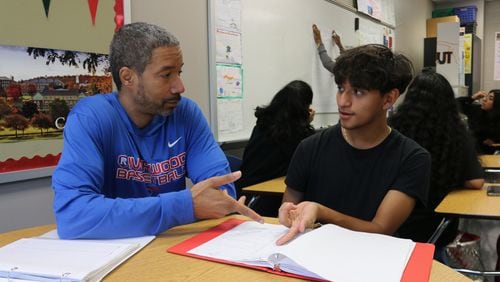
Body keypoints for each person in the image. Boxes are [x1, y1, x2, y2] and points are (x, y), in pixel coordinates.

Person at [52, 22, 262, 239]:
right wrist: (183, 206)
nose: (180, 86)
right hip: (111, 255)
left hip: (169, 249)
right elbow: (73, 216)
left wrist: (196, 204)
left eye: (179, 72)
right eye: (166, 75)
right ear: (128, 77)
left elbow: (221, 194)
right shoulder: (91, 118)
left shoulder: (186, 113)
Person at [276, 44, 431, 245]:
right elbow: (290, 209)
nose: (343, 101)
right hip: (310, 258)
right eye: (341, 89)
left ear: (388, 99)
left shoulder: (412, 159)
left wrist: (322, 212)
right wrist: (288, 214)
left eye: (358, 92)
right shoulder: (310, 148)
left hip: (372, 262)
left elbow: (381, 230)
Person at [389, 70, 484, 247]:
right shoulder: (456, 135)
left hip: (393, 222)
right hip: (438, 226)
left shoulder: (392, 129)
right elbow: (475, 182)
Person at [235, 80, 316, 216]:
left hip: (245, 189)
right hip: (262, 199)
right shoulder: (294, 133)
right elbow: (304, 155)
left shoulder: (262, 123)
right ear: (303, 107)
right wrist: (307, 123)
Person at [459, 89, 500, 154]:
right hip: (472, 150)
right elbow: (455, 104)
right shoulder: (476, 110)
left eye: (490, 98)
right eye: (486, 96)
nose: (484, 99)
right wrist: (472, 97)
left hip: (491, 154)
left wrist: (496, 141)